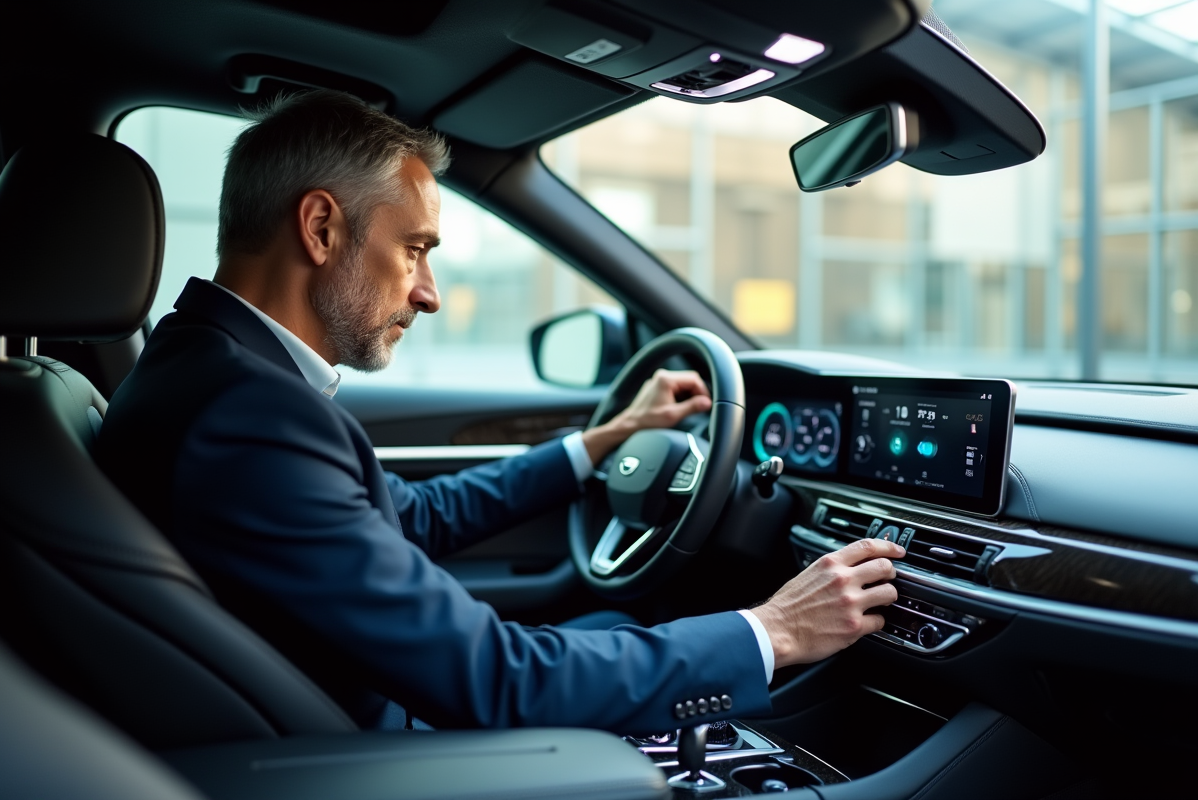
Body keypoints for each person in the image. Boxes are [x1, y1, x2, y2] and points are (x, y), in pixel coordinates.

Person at [96, 90, 904, 734]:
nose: (429, 294)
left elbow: (411, 518)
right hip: (379, 754)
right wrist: (773, 631)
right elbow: (497, 681)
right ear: (320, 228)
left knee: (603, 619)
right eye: (414, 249)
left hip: (352, 717)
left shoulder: (197, 370)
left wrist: (603, 442)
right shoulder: (250, 418)